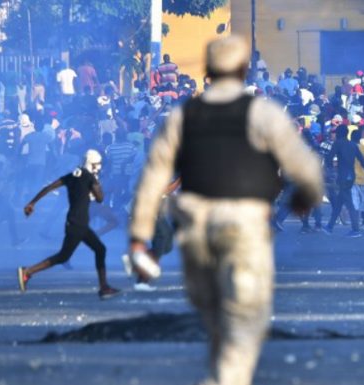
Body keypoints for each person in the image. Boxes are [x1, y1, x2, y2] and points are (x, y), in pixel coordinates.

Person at [127, 36, 323, 385]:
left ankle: (223, 374)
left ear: (208, 71)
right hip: (243, 224)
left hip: (195, 225)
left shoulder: (183, 116)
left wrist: (140, 237)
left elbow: (153, 178)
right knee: (244, 315)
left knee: (214, 312)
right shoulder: (262, 113)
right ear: (244, 68)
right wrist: (305, 197)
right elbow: (306, 170)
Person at [17, 149, 120, 298]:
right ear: (93, 164)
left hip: (76, 221)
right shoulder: (90, 178)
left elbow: (49, 187)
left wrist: (32, 203)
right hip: (78, 223)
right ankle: (28, 272)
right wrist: (96, 184)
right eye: (97, 164)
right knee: (65, 256)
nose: (99, 167)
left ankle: (104, 287)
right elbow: (100, 199)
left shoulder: (73, 175)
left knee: (98, 250)